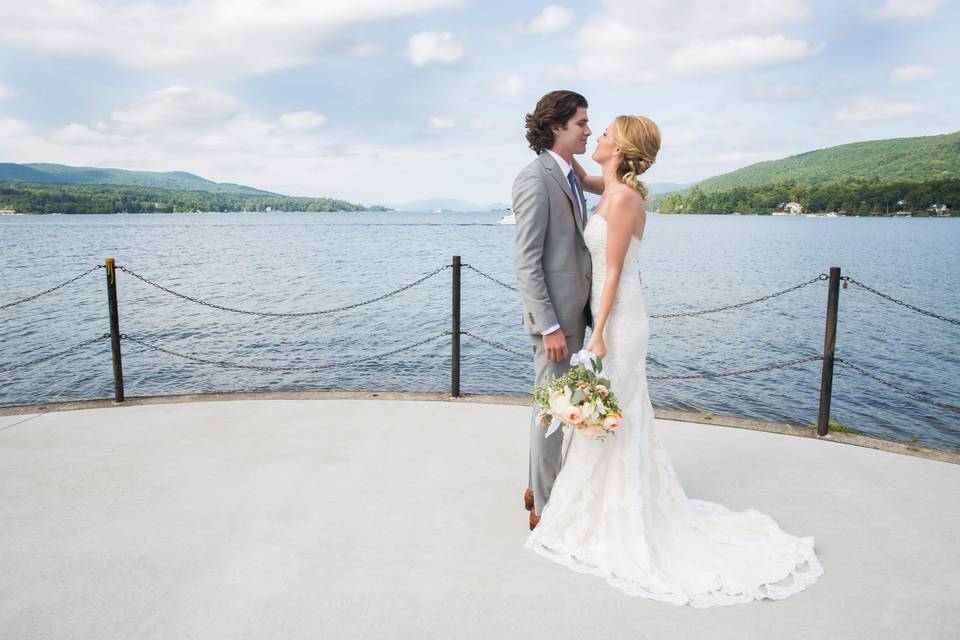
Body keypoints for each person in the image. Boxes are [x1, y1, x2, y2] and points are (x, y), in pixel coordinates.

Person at [524, 115, 824, 607]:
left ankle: (615, 509)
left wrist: (597, 335)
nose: (594, 135)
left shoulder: (622, 199)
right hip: (611, 313)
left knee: (614, 413)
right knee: (617, 412)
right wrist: (561, 143)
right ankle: (603, 498)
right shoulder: (615, 188)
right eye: (588, 128)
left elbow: (615, 270)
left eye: (602, 133)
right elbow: (576, 176)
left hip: (616, 319)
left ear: (620, 147)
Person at [512, 90, 593, 531]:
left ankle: (533, 487)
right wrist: (550, 326)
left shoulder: (567, 174)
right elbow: (527, 261)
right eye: (581, 122)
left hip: (574, 318)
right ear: (557, 126)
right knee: (552, 413)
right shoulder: (535, 178)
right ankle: (544, 508)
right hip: (556, 324)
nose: (588, 129)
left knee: (552, 406)